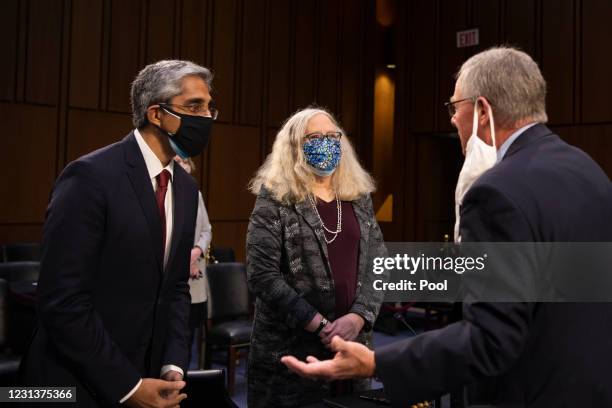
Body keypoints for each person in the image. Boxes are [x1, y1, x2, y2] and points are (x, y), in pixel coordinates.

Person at [282, 47, 612, 407]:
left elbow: (493, 338)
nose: (453, 119)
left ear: (483, 110)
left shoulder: (496, 192)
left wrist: (377, 363)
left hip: (529, 390)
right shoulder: (589, 171)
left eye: (456, 107)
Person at [21, 60, 217, 407]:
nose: (207, 117)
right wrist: (126, 386)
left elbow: (174, 288)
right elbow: (62, 300)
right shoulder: (89, 176)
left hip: (151, 376)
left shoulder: (185, 188)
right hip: (72, 383)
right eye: (194, 106)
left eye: (209, 106)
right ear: (157, 113)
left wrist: (172, 362)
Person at [246, 107, 389, 407]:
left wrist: (359, 316)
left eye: (331, 135)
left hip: (352, 346)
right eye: (314, 137)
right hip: (292, 353)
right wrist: (321, 325)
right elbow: (262, 275)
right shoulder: (275, 197)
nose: (325, 142)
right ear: (295, 147)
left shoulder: (357, 195)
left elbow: (378, 260)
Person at [173, 155, 212, 368]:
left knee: (189, 334)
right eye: (177, 161)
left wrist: (195, 252)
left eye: (185, 161)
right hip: (172, 275)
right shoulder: (163, 193)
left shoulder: (195, 194)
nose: (182, 165)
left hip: (194, 279)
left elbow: (206, 230)